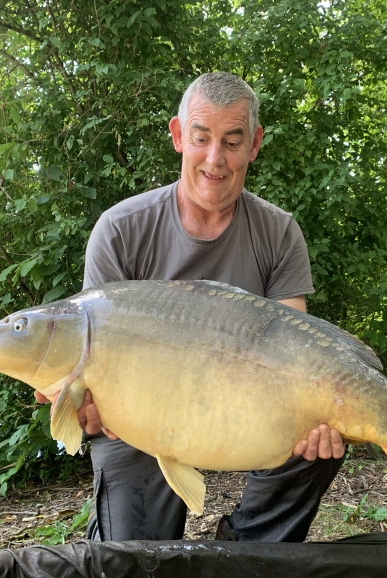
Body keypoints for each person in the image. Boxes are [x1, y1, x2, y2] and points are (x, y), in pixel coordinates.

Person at [35, 72, 345, 543]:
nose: (215, 159)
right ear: (179, 136)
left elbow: (297, 352)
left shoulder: (279, 233)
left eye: (232, 141)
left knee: (319, 444)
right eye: (201, 139)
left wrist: (318, 411)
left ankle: (244, 556)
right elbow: (90, 361)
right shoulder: (120, 230)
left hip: (246, 416)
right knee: (134, 568)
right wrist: (82, 405)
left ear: (255, 144)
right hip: (140, 427)